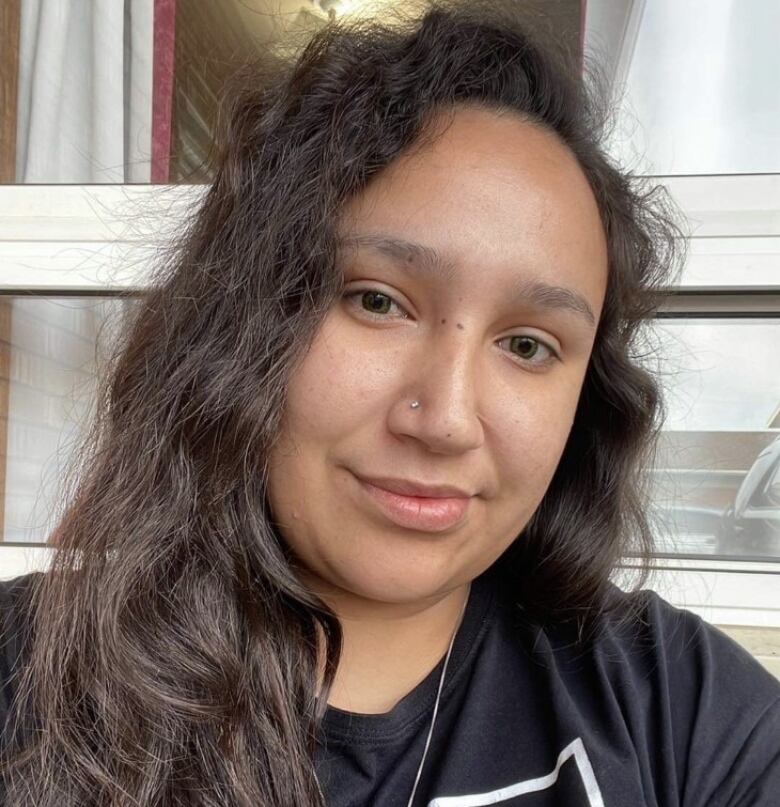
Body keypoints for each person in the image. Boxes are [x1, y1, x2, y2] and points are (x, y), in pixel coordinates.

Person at [1, 1, 778, 805]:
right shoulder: (24, 676)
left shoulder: (677, 710)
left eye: (527, 345)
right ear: (243, 318)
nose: (443, 418)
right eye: (378, 301)